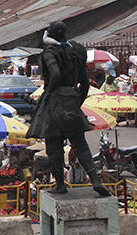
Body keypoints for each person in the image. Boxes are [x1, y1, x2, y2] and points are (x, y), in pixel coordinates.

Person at [26, 21, 109, 196]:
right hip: (72, 99)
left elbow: (55, 74)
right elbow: (85, 83)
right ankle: (95, 179)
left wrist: (48, 93)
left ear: (52, 34)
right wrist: (76, 102)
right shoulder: (76, 52)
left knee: (54, 146)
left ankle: (60, 185)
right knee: (80, 145)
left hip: (55, 101)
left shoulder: (50, 53)